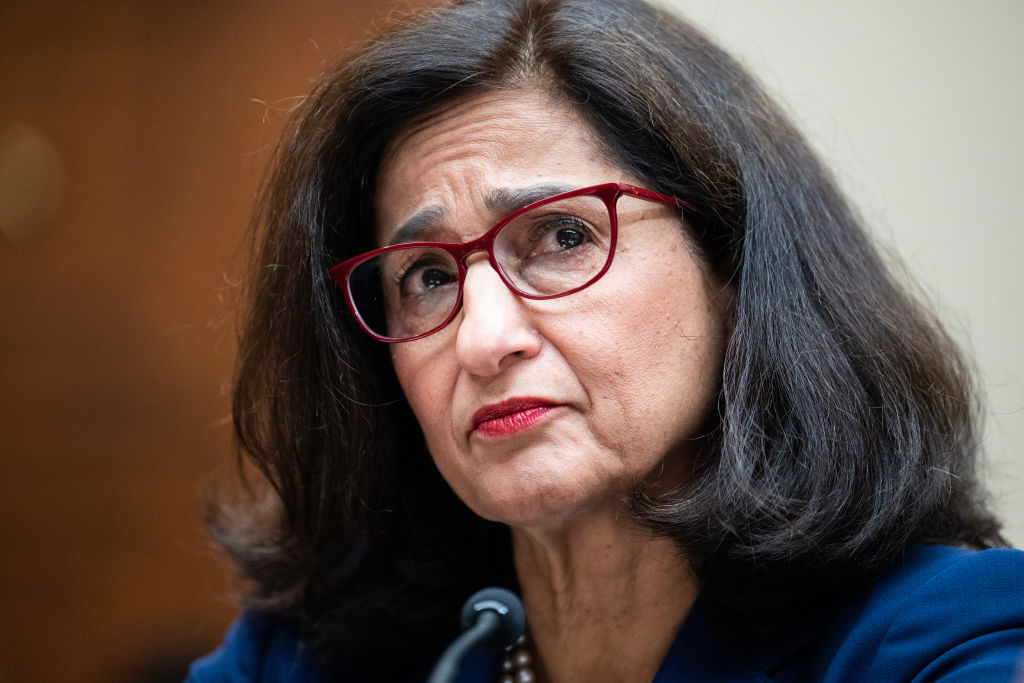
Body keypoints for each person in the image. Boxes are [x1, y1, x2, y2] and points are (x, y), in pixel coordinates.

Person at [188, 0, 1024, 680]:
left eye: (559, 237)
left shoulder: (941, 640)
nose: (484, 339)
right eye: (430, 277)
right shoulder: (302, 655)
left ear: (731, 264)